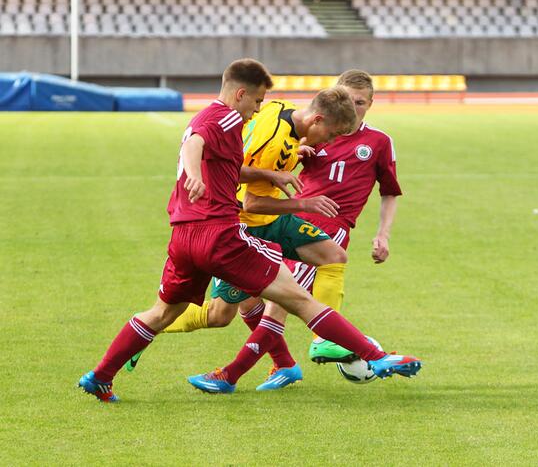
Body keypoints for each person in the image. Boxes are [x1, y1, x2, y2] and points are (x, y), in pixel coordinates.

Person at [78, 58, 422, 402]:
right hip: (222, 236)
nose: (258, 109)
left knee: (163, 313)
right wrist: (194, 173)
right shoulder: (223, 115)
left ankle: (101, 375)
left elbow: (223, 161)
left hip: (183, 235)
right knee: (297, 299)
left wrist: (267, 175)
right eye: (256, 101)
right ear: (240, 94)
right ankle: (376, 357)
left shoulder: (248, 119)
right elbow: (194, 142)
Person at [186, 70, 410, 393]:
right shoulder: (312, 133)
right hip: (282, 222)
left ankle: (235, 373)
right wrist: (296, 155)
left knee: (282, 302)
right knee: (243, 304)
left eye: (359, 102)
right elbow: (273, 170)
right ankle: (285, 364)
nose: (353, 106)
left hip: (325, 229)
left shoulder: (378, 142)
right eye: (346, 99)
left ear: (370, 103)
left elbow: (390, 191)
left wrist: (383, 234)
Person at [125, 88, 362, 389]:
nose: (330, 142)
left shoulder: (281, 109)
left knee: (332, 255)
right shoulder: (271, 137)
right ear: (317, 119)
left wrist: (293, 154)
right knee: (221, 313)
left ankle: (317, 344)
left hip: (272, 220)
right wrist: (302, 201)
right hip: (242, 223)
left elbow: (262, 151)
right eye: (332, 134)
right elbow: (249, 197)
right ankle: (147, 327)